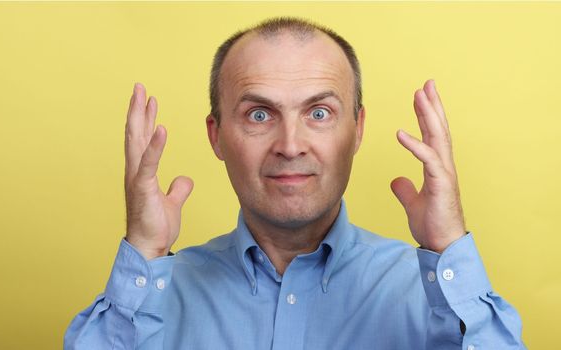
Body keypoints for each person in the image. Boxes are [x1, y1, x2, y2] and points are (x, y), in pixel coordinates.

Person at [64, 17, 525, 349]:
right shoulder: (154, 293)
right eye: (259, 114)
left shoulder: (437, 292)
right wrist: (143, 252)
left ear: (357, 130)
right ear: (216, 135)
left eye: (319, 113)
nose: (290, 144)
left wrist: (449, 246)